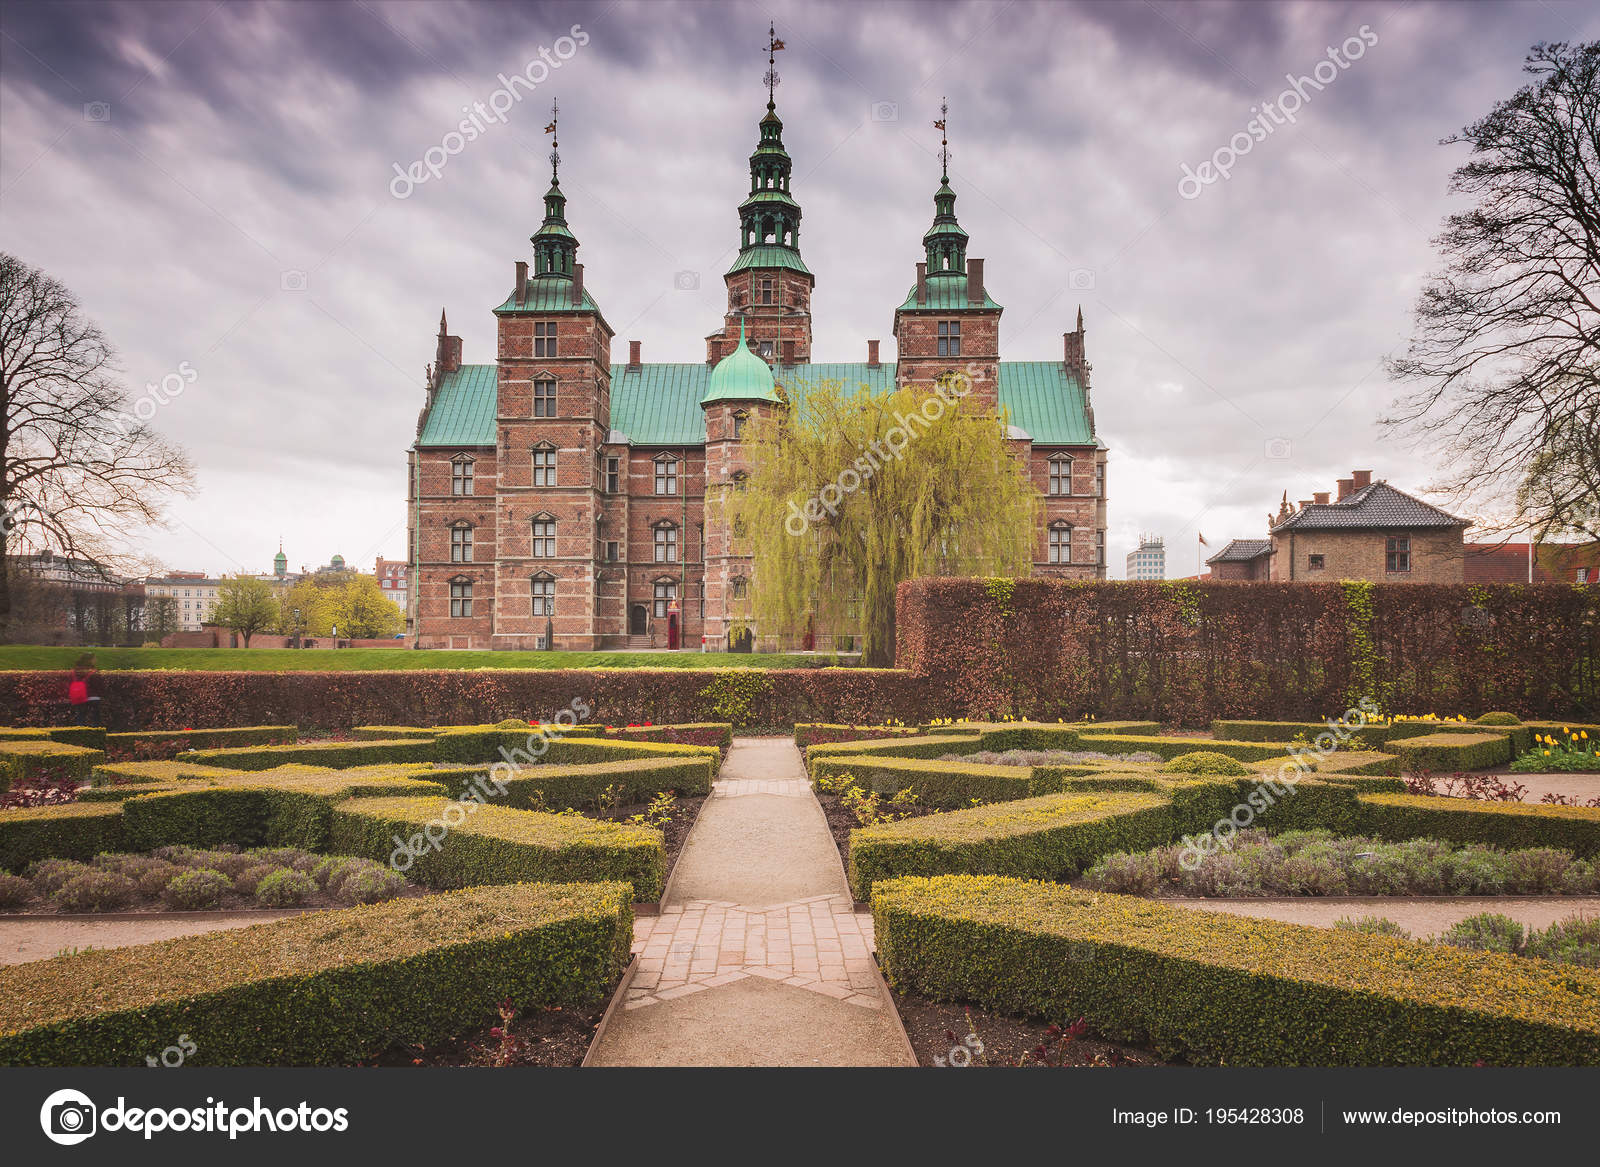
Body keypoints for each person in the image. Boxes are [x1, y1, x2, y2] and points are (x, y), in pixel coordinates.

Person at [67, 653, 102, 726]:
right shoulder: (93, 671)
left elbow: (70, 682)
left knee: (80, 717)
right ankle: (96, 734)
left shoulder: (75, 671)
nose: (96, 660)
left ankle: (80, 733)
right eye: (94, 659)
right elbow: (98, 685)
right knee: (95, 719)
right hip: (93, 697)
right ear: (90, 660)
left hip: (80, 697)